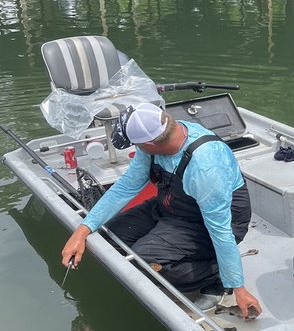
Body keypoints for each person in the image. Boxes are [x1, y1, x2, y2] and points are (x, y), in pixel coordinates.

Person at [61, 103, 262, 319]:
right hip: (171, 206)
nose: (135, 149)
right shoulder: (161, 135)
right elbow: (127, 186)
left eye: (136, 145)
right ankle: (171, 256)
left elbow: (220, 230)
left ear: (149, 143)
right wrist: (82, 230)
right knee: (108, 240)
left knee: (142, 261)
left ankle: (216, 277)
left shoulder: (205, 167)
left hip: (211, 222)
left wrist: (238, 286)